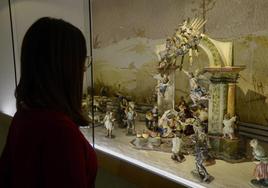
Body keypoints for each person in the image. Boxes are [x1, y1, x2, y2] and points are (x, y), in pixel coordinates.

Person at [0, 17, 97, 188]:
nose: (83, 68)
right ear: (66, 67)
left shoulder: (23, 115)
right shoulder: (61, 132)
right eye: (81, 60)